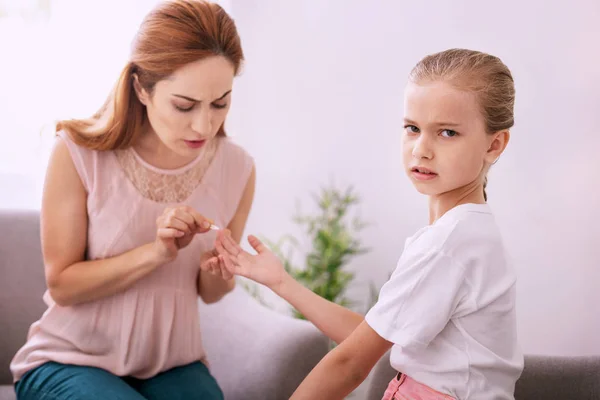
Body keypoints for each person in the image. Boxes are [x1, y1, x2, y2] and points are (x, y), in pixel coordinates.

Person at [211, 48, 524, 399]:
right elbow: (373, 336)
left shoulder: (448, 245)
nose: (421, 149)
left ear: (494, 144)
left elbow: (351, 364)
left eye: (447, 132)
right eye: (412, 128)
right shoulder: (464, 234)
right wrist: (280, 281)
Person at [10, 1, 255, 399]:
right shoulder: (78, 153)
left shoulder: (238, 167)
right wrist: (156, 253)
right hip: (67, 359)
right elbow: (63, 286)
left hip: (172, 364)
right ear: (141, 88)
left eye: (221, 102)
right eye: (184, 105)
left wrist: (222, 268)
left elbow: (210, 293)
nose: (204, 125)